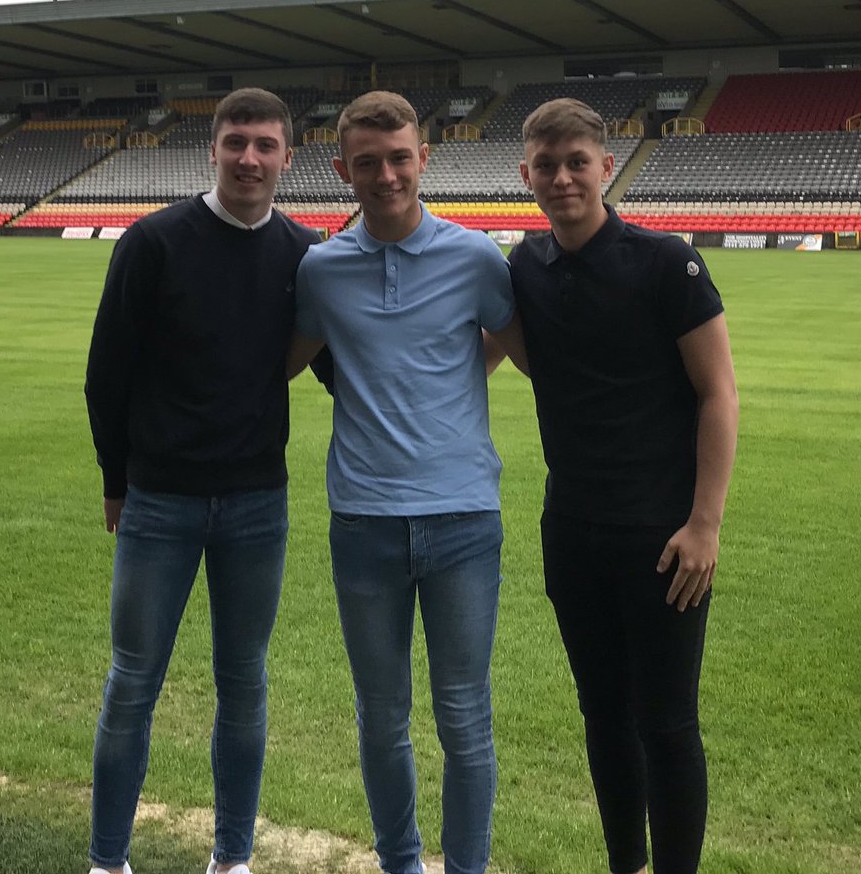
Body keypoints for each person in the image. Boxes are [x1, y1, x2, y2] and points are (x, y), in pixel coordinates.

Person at [489, 97, 739, 874]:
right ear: (525, 174)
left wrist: (704, 523)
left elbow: (718, 393)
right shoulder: (523, 266)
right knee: (602, 716)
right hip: (573, 532)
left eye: (577, 162)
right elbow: (538, 363)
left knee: (666, 724)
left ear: (606, 165)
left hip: (663, 538)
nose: (563, 178)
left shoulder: (668, 262)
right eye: (547, 165)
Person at [83, 88, 324, 874]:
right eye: (235, 143)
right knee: (132, 682)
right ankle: (108, 859)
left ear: (289, 156)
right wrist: (117, 480)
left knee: (244, 686)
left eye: (264, 144)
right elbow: (106, 372)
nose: (249, 158)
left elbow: (339, 365)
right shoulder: (153, 242)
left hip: (258, 501)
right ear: (211, 150)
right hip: (160, 501)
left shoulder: (303, 252)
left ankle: (232, 858)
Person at [286, 91, 522, 874]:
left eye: (399, 158)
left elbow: (517, 349)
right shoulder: (320, 268)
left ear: (425, 157)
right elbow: (274, 365)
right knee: (382, 717)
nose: (385, 175)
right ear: (341, 169)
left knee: (464, 718)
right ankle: (399, 863)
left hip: (462, 520)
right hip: (364, 523)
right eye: (367, 162)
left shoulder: (477, 257)